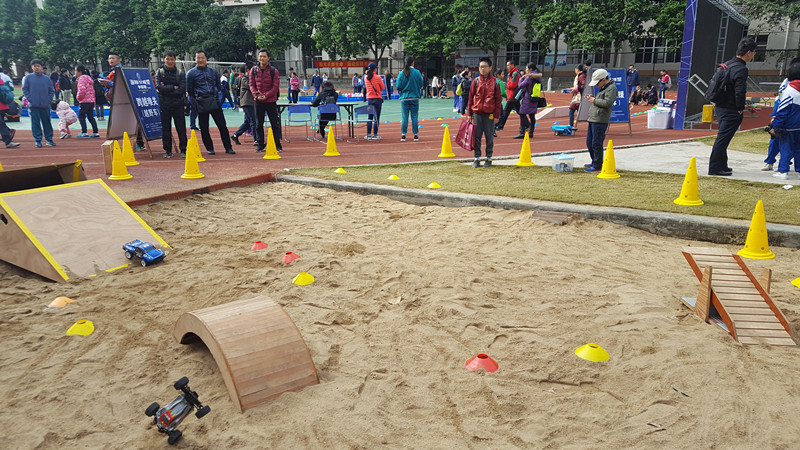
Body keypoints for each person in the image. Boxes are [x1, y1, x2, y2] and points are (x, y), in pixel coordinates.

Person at [708, 37, 757, 176]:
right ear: (749, 52)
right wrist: (740, 108)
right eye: (754, 52)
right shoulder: (741, 69)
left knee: (723, 137)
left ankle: (722, 165)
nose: (754, 55)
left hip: (720, 106)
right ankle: (715, 168)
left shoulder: (727, 64)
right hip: (731, 108)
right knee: (722, 139)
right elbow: (740, 91)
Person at [186, 49, 235, 155]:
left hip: (214, 101)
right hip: (201, 103)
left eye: (202, 58)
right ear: (195, 59)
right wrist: (197, 100)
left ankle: (228, 147)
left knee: (222, 126)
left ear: (206, 59)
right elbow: (190, 90)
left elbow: (218, 86)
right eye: (198, 58)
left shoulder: (213, 72)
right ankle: (210, 148)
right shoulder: (191, 73)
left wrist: (216, 97)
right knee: (204, 128)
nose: (200, 60)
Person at [763, 57, 800, 171]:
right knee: (777, 139)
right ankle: (770, 161)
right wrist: (775, 116)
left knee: (792, 145)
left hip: (793, 120)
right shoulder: (787, 83)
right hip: (786, 117)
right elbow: (779, 101)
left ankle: (786, 165)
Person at [466, 57, 502, 168]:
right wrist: (469, 113)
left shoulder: (495, 82)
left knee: (489, 137)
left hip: (489, 114)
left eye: (484, 67)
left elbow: (498, 100)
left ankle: (488, 158)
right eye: (480, 67)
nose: (482, 69)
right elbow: (471, 97)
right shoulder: (476, 81)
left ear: (490, 68)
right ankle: (477, 158)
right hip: (477, 113)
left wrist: (497, 115)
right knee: (476, 137)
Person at [584, 68, 617, 172]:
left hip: (600, 119)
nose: (596, 85)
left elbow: (607, 103)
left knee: (596, 143)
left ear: (603, 80)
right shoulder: (604, 87)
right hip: (593, 118)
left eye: (597, 82)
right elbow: (601, 101)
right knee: (590, 142)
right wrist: (593, 99)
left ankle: (597, 165)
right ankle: (594, 161)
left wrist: (594, 100)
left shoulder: (611, 88)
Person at [155, 50, 188, 158]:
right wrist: (173, 87)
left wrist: (166, 89)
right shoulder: (159, 72)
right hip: (164, 104)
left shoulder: (180, 73)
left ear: (175, 60)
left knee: (181, 128)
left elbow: (182, 89)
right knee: (166, 128)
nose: (169, 61)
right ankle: (168, 150)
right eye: (167, 59)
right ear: (164, 59)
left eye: (172, 59)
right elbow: (159, 87)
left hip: (178, 104)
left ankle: (184, 149)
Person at [250, 48, 282, 153]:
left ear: (268, 58)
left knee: (274, 124)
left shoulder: (274, 71)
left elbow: (275, 87)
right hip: (258, 101)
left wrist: (266, 96)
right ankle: (260, 144)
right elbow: (251, 85)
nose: (262, 58)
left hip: (270, 101)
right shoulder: (253, 70)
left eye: (264, 56)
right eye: (260, 56)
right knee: (259, 124)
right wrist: (256, 94)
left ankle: (277, 144)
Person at [23, 59, 56, 148]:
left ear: (41, 67)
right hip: (34, 105)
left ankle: (49, 139)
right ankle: (38, 140)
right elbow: (25, 89)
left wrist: (48, 100)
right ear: (32, 67)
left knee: (47, 123)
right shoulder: (28, 78)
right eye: (35, 66)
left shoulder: (47, 78)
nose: (37, 67)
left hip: (45, 105)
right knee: (35, 124)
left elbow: (51, 91)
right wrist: (31, 99)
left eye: (38, 66)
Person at [395, 56, 423, 142]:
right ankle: (415, 135)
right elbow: (421, 83)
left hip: (404, 98)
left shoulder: (401, 73)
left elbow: (398, 86)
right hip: (414, 97)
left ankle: (403, 135)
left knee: (405, 117)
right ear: (412, 63)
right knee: (414, 116)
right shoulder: (417, 72)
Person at [516, 62, 543, 139]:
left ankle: (522, 132)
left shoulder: (529, 77)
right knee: (532, 115)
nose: (526, 70)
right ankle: (531, 132)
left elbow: (520, 86)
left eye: (526, 68)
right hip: (535, 98)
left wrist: (521, 78)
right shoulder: (538, 77)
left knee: (522, 113)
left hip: (528, 98)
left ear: (530, 69)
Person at [232, 62, 256, 146]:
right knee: (253, 121)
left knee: (247, 122)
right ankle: (256, 139)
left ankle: (235, 135)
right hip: (246, 102)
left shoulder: (250, 78)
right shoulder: (244, 79)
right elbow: (251, 87)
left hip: (251, 102)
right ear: (248, 70)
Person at [74, 65, 99, 139]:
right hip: (91, 101)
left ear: (79, 72)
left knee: (81, 116)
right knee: (91, 117)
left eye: (76, 71)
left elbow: (82, 90)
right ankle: (95, 132)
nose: (75, 72)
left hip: (84, 101)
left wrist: (78, 98)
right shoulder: (89, 78)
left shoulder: (81, 79)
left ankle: (84, 132)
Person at [495, 59, 521, 131]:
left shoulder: (515, 73)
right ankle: (527, 124)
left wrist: (507, 85)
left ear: (512, 65)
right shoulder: (511, 73)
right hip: (513, 95)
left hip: (513, 95)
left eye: (508, 65)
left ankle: (500, 126)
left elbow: (512, 85)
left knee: (506, 111)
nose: (507, 67)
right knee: (520, 111)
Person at [363, 62, 386, 140]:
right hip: (377, 98)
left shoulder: (365, 78)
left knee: (370, 117)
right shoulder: (378, 77)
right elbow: (382, 87)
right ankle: (375, 134)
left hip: (369, 99)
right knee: (376, 118)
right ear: (375, 69)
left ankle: (369, 134)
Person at [0, 77, 20, 148]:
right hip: (4, 106)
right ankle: (8, 133)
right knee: (1, 124)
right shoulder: (2, 82)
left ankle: (8, 141)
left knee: (1, 124)